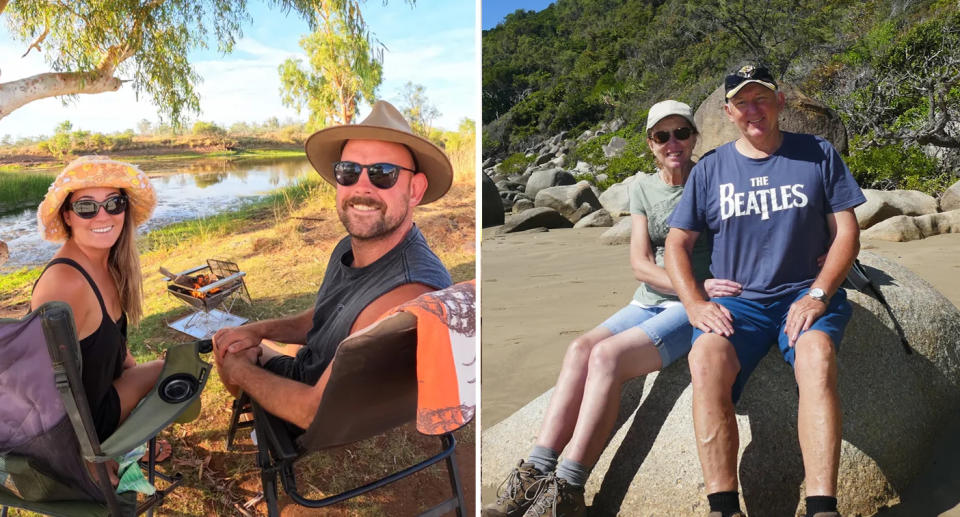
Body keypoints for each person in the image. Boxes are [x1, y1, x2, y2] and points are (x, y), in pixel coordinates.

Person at [483, 101, 742, 517]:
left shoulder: (713, 181)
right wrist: (688, 281)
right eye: (662, 136)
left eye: (681, 133)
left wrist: (702, 289)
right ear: (650, 144)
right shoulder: (642, 186)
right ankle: (536, 471)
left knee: (607, 357)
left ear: (695, 137)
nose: (673, 143)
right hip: (649, 299)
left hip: (695, 305)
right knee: (579, 350)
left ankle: (568, 486)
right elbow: (640, 263)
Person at [664, 65, 865, 517]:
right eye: (742, 102)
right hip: (739, 304)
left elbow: (847, 231)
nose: (753, 110)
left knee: (815, 356)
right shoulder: (712, 168)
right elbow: (677, 243)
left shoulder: (816, 153)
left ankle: (821, 505)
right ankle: (723, 505)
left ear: (779, 102)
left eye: (761, 99)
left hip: (802, 292)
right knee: (706, 358)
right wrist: (695, 303)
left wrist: (818, 293)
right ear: (728, 111)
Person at [212, 101, 453, 430]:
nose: (362, 187)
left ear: (415, 189)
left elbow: (313, 412)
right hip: (322, 379)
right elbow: (325, 315)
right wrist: (259, 330)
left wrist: (238, 367)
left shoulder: (407, 293)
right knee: (242, 339)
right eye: (349, 172)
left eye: (383, 174)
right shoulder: (351, 247)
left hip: (309, 404)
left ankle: (265, 428)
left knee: (225, 346)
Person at [32, 156, 167, 458]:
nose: (103, 216)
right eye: (86, 207)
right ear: (68, 216)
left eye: (114, 203)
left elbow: (109, 345)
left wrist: (131, 369)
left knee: (164, 371)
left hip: (98, 397)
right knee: (169, 371)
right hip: (85, 426)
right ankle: (125, 443)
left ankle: (132, 438)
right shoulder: (66, 283)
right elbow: (40, 388)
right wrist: (89, 460)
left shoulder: (107, 266)